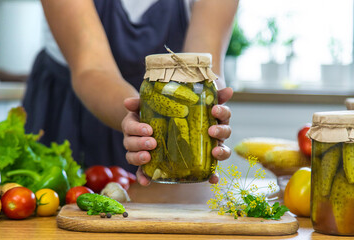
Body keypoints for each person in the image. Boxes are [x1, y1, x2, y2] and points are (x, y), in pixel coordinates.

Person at [23, 0, 237, 185]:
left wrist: (210, 108)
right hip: (72, 111)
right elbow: (91, 68)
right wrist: (145, 114)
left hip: (162, 122)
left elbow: (201, 68)